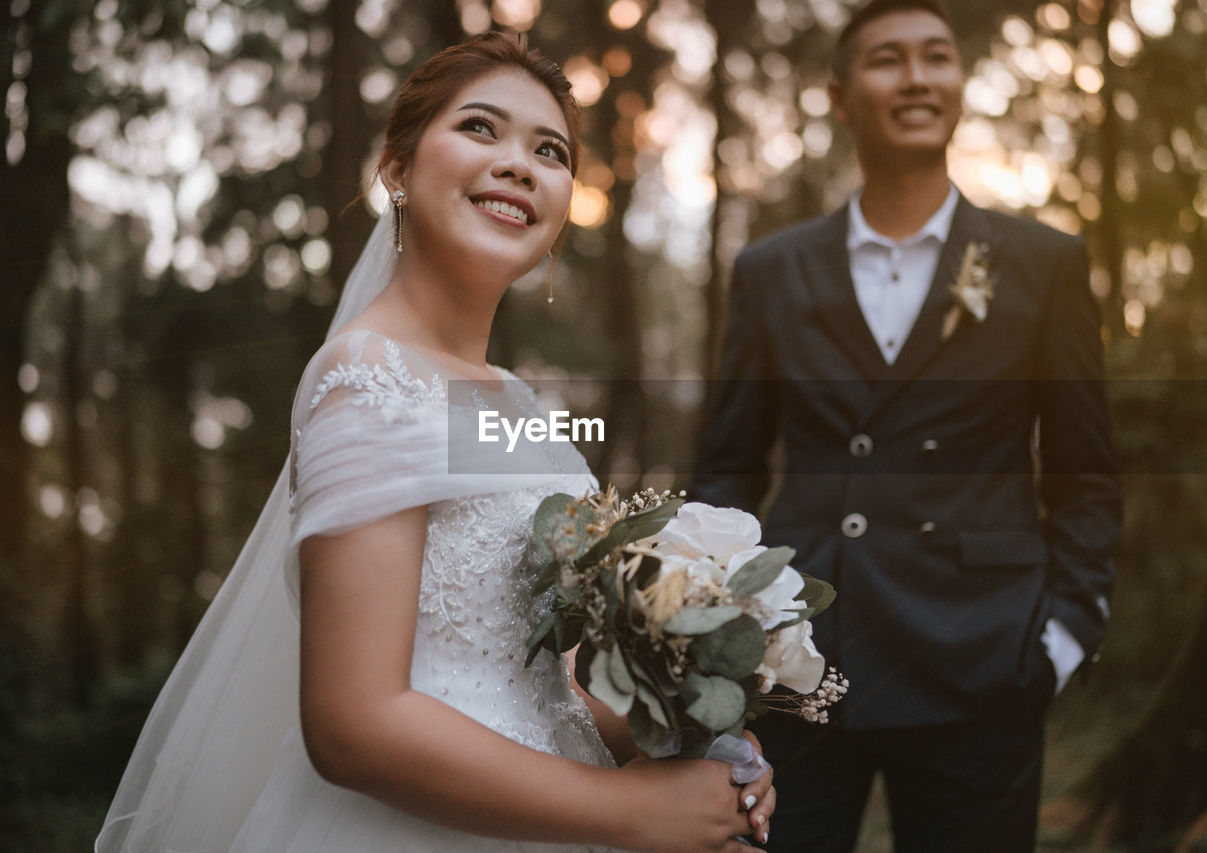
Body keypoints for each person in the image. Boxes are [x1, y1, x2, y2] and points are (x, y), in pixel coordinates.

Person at [97, 32, 774, 853]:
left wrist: (694, 746)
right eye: (480, 128)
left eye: (550, 151)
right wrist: (628, 812)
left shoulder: (517, 404)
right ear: (396, 169)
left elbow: (537, 685)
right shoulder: (368, 377)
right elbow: (354, 722)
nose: (519, 164)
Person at [690, 1, 1121, 850]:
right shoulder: (771, 270)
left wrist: (1064, 636)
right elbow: (728, 467)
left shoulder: (1044, 264)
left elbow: (1085, 473)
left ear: (960, 84)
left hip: (983, 661)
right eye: (889, 59)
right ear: (841, 96)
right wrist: (720, 631)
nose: (917, 78)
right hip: (798, 664)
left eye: (937, 57)